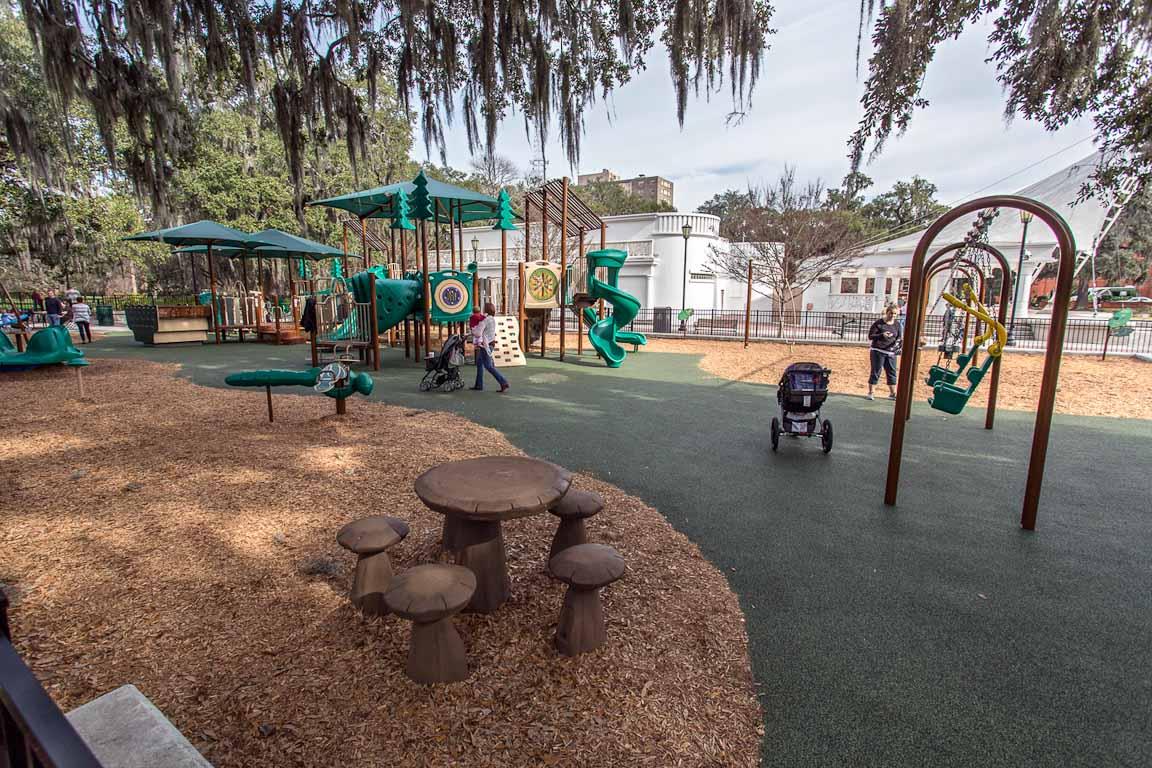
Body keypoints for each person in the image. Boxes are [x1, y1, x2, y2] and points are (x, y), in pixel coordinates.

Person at [470, 302, 509, 393]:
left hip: (485, 345)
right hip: (490, 343)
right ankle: (478, 384)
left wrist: (472, 330)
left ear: (486, 310)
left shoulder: (485, 320)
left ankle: (503, 382)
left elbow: (478, 333)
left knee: (488, 366)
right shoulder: (492, 319)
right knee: (480, 363)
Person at [867, 302, 901, 401]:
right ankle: (871, 392)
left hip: (890, 352)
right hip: (878, 351)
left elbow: (899, 337)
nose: (893, 316)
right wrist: (882, 335)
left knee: (892, 372)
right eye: (891, 313)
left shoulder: (897, 324)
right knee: (876, 371)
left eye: (895, 314)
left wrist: (897, 347)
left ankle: (892, 393)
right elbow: (871, 336)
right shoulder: (879, 323)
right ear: (887, 313)